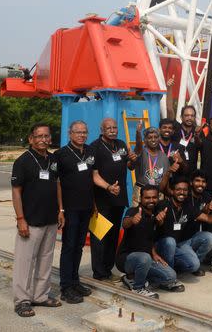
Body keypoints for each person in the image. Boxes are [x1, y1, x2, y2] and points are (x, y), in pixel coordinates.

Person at [10, 124, 63, 318]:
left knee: (45, 260)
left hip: (50, 219)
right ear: (31, 139)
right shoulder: (22, 161)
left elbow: (57, 184)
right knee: (25, 263)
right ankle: (22, 300)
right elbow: (16, 191)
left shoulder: (53, 159)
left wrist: (61, 210)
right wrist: (20, 219)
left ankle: (40, 295)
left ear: (50, 138)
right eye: (38, 136)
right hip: (30, 220)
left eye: (46, 136)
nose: (43, 139)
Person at [90, 118, 138, 281]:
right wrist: (107, 187)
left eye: (114, 127)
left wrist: (132, 159)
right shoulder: (94, 147)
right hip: (102, 200)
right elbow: (92, 175)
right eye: (108, 128)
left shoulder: (121, 144)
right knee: (100, 237)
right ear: (102, 130)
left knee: (112, 236)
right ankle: (99, 272)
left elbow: (130, 166)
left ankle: (108, 269)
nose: (112, 130)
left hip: (119, 199)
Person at [116, 185, 183, 298]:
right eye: (147, 198)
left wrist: (154, 253)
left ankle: (132, 278)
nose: (151, 200)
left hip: (147, 258)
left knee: (171, 276)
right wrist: (132, 220)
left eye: (154, 197)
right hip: (126, 259)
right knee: (144, 257)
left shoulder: (155, 214)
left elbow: (148, 237)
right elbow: (125, 223)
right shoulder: (134, 211)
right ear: (141, 198)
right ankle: (138, 288)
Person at [55, 120, 95, 304]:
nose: (82, 135)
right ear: (70, 134)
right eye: (78, 132)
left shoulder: (89, 151)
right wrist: (61, 209)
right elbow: (58, 184)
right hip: (70, 209)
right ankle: (65, 287)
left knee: (79, 246)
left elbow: (91, 178)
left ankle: (75, 280)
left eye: (84, 132)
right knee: (69, 246)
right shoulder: (61, 155)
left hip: (86, 207)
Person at [154, 180, 212, 277]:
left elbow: (207, 218)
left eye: (185, 190)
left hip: (181, 243)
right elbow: (156, 224)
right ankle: (169, 276)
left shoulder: (188, 206)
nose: (182, 192)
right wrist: (160, 220)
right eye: (178, 189)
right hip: (163, 244)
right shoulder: (163, 204)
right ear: (172, 191)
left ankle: (178, 266)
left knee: (208, 240)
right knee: (170, 241)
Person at [132, 127, 177, 203]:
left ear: (159, 139)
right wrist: (138, 133)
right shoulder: (141, 153)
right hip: (141, 191)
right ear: (145, 140)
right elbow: (138, 146)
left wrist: (170, 194)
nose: (153, 140)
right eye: (150, 137)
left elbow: (166, 181)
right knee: (138, 214)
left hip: (158, 192)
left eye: (156, 137)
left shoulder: (164, 156)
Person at [158, 117, 189, 186]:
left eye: (170, 128)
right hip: (157, 183)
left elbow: (186, 170)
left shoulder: (178, 147)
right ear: (159, 130)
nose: (167, 130)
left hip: (173, 184)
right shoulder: (155, 146)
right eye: (164, 127)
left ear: (173, 131)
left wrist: (181, 161)